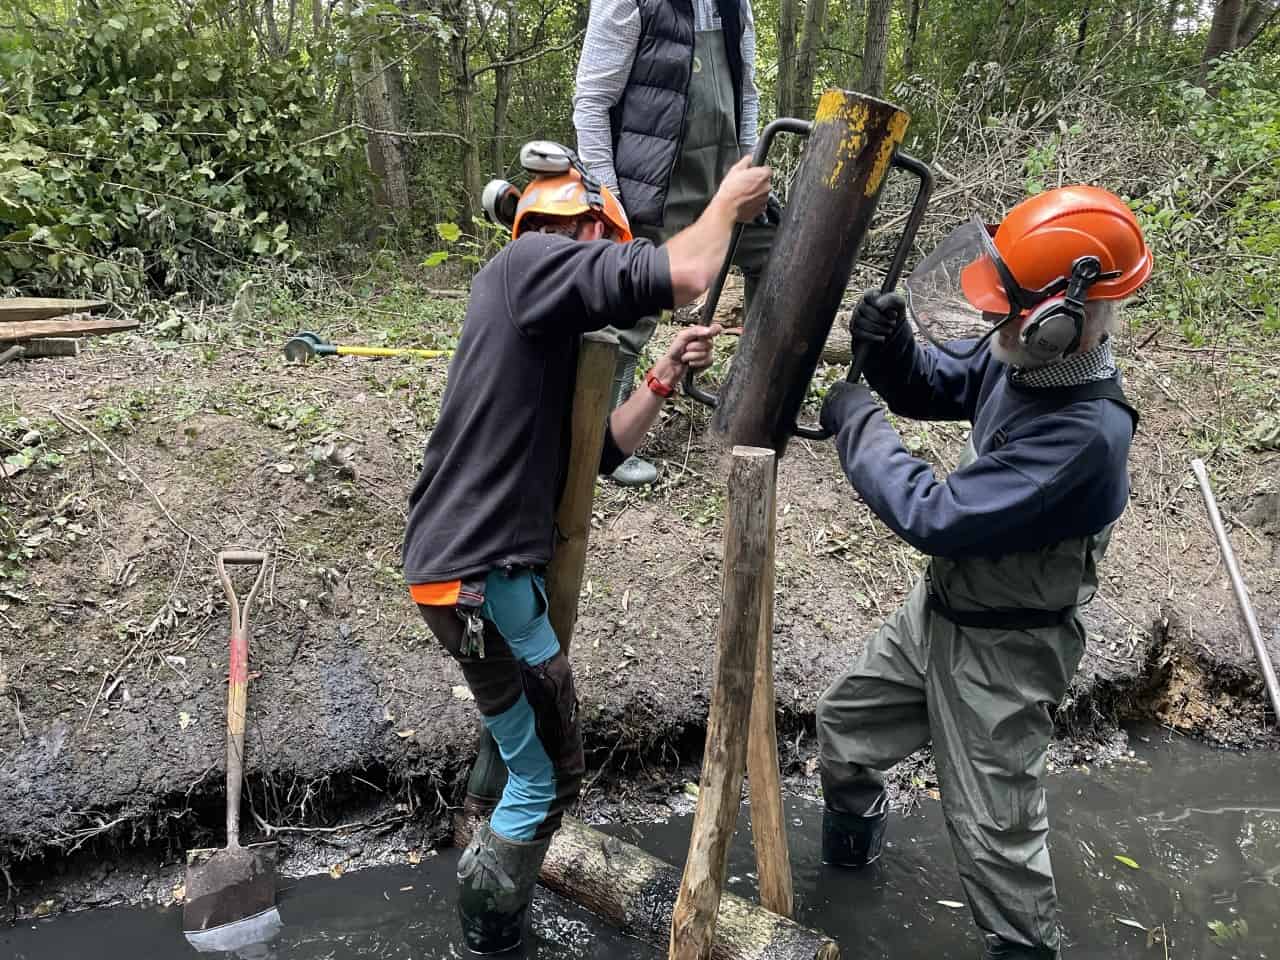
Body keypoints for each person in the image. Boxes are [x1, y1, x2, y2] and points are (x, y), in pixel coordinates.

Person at [401, 147, 771, 955]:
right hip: (482, 575)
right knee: (546, 781)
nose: (601, 265)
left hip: (469, 573)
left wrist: (663, 376)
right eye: (600, 246)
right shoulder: (531, 263)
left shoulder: (538, 324)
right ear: (578, 231)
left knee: (520, 753)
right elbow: (683, 271)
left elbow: (594, 452)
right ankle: (492, 939)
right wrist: (728, 207)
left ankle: (483, 857)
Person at [814, 186, 1153, 960]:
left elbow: (935, 515)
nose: (989, 325)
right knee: (845, 729)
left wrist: (859, 420)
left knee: (996, 841)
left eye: (1004, 313)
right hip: (939, 613)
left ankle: (1023, 947)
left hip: (1005, 653)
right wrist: (892, 347)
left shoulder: (1086, 438)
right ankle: (844, 875)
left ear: (1061, 322)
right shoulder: (1026, 356)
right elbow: (940, 381)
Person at [572, 0, 776, 486]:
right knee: (628, 310)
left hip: (721, 174)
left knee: (773, 254)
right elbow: (592, 101)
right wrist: (610, 200)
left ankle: (760, 395)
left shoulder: (734, 4)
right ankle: (602, 434)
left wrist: (748, 166)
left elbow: (744, 92)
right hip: (652, 184)